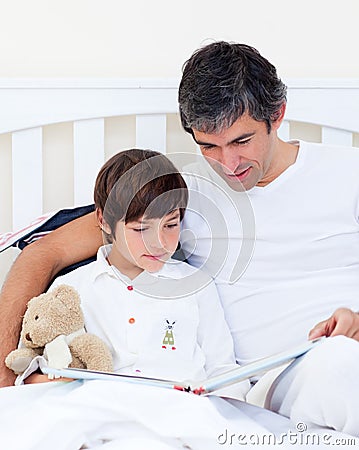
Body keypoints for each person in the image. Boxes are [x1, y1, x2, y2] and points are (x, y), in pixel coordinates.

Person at [1, 40, 359, 436]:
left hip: (340, 356)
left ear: (278, 114)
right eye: (208, 146)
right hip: (265, 385)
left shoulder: (349, 173)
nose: (228, 164)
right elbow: (44, 253)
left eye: (242, 141)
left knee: (343, 361)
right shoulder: (176, 194)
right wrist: (5, 380)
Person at [16, 148, 248, 399]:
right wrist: (55, 379)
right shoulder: (71, 288)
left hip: (182, 411)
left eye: (171, 225)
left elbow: (222, 368)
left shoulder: (197, 285)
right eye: (140, 229)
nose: (159, 243)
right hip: (101, 411)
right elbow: (29, 368)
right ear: (104, 221)